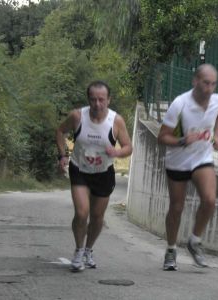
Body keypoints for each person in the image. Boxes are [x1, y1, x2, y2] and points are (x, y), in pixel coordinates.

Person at [56, 80, 132, 272]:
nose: (97, 104)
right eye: (93, 100)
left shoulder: (116, 121)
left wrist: (117, 153)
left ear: (109, 100)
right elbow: (60, 131)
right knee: (82, 213)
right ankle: (79, 250)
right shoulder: (77, 116)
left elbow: (128, 147)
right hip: (80, 170)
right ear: (88, 100)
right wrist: (62, 155)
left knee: (97, 217)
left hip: (103, 174)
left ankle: (89, 249)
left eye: (101, 100)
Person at [157, 64, 218, 271]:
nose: (209, 88)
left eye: (213, 84)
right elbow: (162, 137)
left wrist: (216, 136)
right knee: (177, 207)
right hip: (178, 159)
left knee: (210, 200)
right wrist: (183, 140)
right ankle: (170, 249)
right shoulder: (180, 104)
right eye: (205, 83)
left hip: (202, 157)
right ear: (195, 81)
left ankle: (194, 241)